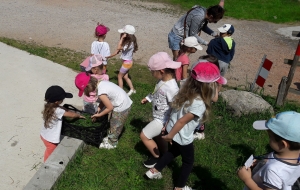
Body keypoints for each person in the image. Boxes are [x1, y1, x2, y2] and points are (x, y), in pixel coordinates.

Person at [145, 62, 227, 190]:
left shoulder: (185, 90)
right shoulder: (199, 103)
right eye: (215, 84)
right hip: (181, 136)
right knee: (188, 162)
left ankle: (154, 171)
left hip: (172, 128)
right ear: (209, 86)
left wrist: (168, 128)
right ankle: (179, 187)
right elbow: (182, 121)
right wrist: (169, 136)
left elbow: (173, 112)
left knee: (172, 152)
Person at [237, 111, 300, 190]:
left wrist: (247, 179)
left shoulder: (273, 171)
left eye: (270, 137)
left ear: (283, 144)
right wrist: (260, 165)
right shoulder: (296, 157)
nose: (269, 139)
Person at [140, 52, 181, 168]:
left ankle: (156, 158)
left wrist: (168, 124)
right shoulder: (162, 81)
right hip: (158, 116)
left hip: (163, 120)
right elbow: (156, 92)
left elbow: (175, 108)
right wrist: (148, 98)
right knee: (159, 137)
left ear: (161, 71)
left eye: (152, 72)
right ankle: (164, 154)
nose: (152, 74)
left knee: (144, 135)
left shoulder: (172, 88)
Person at [75, 72, 132, 149]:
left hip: (122, 106)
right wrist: (99, 109)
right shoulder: (102, 83)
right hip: (122, 101)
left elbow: (109, 108)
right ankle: (110, 137)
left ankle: (112, 143)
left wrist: (99, 115)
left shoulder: (101, 92)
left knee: (116, 125)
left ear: (88, 86)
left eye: (86, 90)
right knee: (112, 122)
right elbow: (104, 101)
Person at [40, 86, 85, 162]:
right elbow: (72, 115)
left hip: (44, 134)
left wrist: (63, 108)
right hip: (51, 140)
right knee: (50, 152)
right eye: (62, 99)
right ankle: (46, 164)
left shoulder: (49, 106)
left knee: (49, 149)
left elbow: (58, 107)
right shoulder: (58, 111)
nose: (63, 100)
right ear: (57, 101)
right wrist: (78, 115)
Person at [111, 25, 138, 96]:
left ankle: (120, 92)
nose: (121, 34)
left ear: (127, 35)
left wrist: (122, 38)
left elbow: (119, 47)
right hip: (128, 62)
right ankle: (132, 89)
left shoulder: (129, 44)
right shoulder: (130, 42)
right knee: (125, 77)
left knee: (119, 77)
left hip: (127, 63)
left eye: (123, 33)